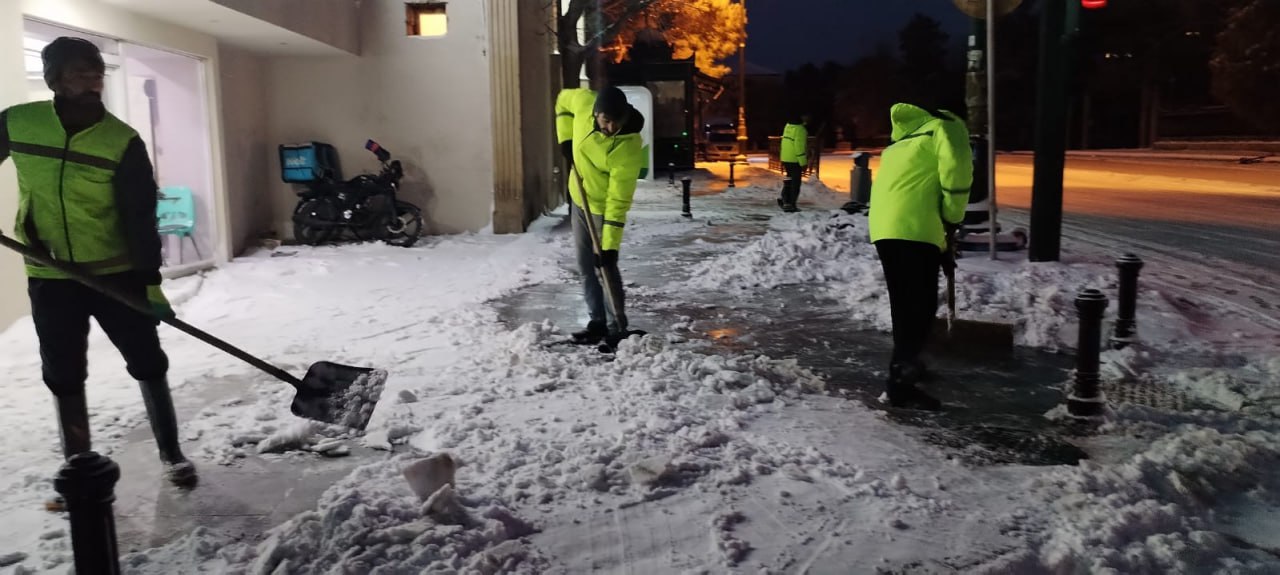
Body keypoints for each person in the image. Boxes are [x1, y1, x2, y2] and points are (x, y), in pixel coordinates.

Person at [0, 37, 197, 508]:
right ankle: (78, 468)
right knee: (63, 373)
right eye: (78, 74)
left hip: (117, 274)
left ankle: (172, 454)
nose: (91, 82)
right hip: (50, 276)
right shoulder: (18, 122)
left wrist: (150, 282)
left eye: (95, 73)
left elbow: (139, 215)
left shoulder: (121, 140)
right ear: (54, 79)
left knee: (148, 363)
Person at [867, 101, 973, 410]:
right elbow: (957, 172)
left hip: (886, 227)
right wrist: (953, 218)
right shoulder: (947, 127)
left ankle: (907, 364)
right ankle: (900, 383)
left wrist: (939, 242)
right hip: (915, 228)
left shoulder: (901, 142)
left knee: (904, 303)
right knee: (920, 306)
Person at [554, 59, 646, 347]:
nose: (609, 127)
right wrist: (565, 140)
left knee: (603, 265)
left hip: (602, 209)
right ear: (596, 113)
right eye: (605, 120)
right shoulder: (584, 103)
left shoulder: (628, 147)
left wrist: (609, 247)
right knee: (584, 265)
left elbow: (618, 201)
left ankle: (617, 326)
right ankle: (597, 322)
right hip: (578, 198)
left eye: (615, 122)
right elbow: (561, 102)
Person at [777, 112, 810, 212]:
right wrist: (803, 162)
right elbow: (799, 147)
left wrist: (782, 158)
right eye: (807, 116)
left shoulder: (788, 126)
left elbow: (784, 142)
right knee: (796, 183)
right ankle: (791, 204)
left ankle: (785, 199)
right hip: (795, 159)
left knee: (789, 180)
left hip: (786, 158)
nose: (809, 118)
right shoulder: (800, 130)